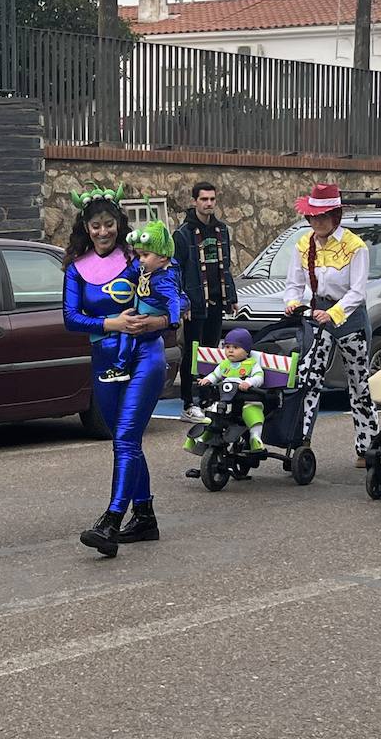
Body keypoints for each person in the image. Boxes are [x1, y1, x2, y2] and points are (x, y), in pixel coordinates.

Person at [61, 184, 173, 556]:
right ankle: (144, 517)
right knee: (125, 439)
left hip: (145, 356)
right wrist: (112, 325)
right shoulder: (76, 269)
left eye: (109, 224)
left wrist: (152, 324)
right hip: (105, 359)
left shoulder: (138, 258)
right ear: (86, 228)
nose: (103, 231)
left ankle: (111, 519)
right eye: (96, 226)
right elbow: (71, 318)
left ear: (118, 224)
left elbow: (172, 298)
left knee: (125, 437)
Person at [282, 182, 380, 466]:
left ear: (336, 216)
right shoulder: (303, 245)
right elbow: (293, 284)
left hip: (350, 319)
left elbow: (358, 292)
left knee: (358, 384)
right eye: (313, 216)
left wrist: (334, 313)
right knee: (308, 378)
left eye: (324, 216)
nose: (318, 221)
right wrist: (292, 302)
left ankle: (367, 447)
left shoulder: (355, 246)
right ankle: (301, 442)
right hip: (317, 316)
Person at [173, 182, 239, 422]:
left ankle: (208, 399)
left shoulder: (221, 230)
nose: (208, 203)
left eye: (212, 199)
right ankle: (189, 403)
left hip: (216, 300)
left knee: (212, 352)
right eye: (204, 199)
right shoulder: (183, 233)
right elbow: (175, 269)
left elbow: (227, 266)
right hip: (194, 302)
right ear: (194, 201)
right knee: (193, 353)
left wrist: (231, 297)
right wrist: (182, 302)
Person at [97, 221, 185, 383]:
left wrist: (172, 320)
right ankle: (146, 364)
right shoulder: (152, 269)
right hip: (143, 310)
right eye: (139, 255)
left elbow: (174, 299)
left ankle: (121, 367)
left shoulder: (163, 280)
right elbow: (132, 271)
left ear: (162, 257)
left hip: (149, 315)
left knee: (128, 332)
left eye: (145, 255)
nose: (141, 260)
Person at [182, 327, 267, 455]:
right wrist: (207, 380)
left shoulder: (252, 363)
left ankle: (256, 438)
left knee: (253, 413)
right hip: (226, 401)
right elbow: (215, 375)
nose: (230, 351)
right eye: (227, 347)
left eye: (235, 347)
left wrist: (249, 382)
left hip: (246, 399)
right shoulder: (224, 364)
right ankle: (199, 439)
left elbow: (259, 377)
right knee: (211, 413)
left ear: (247, 350)